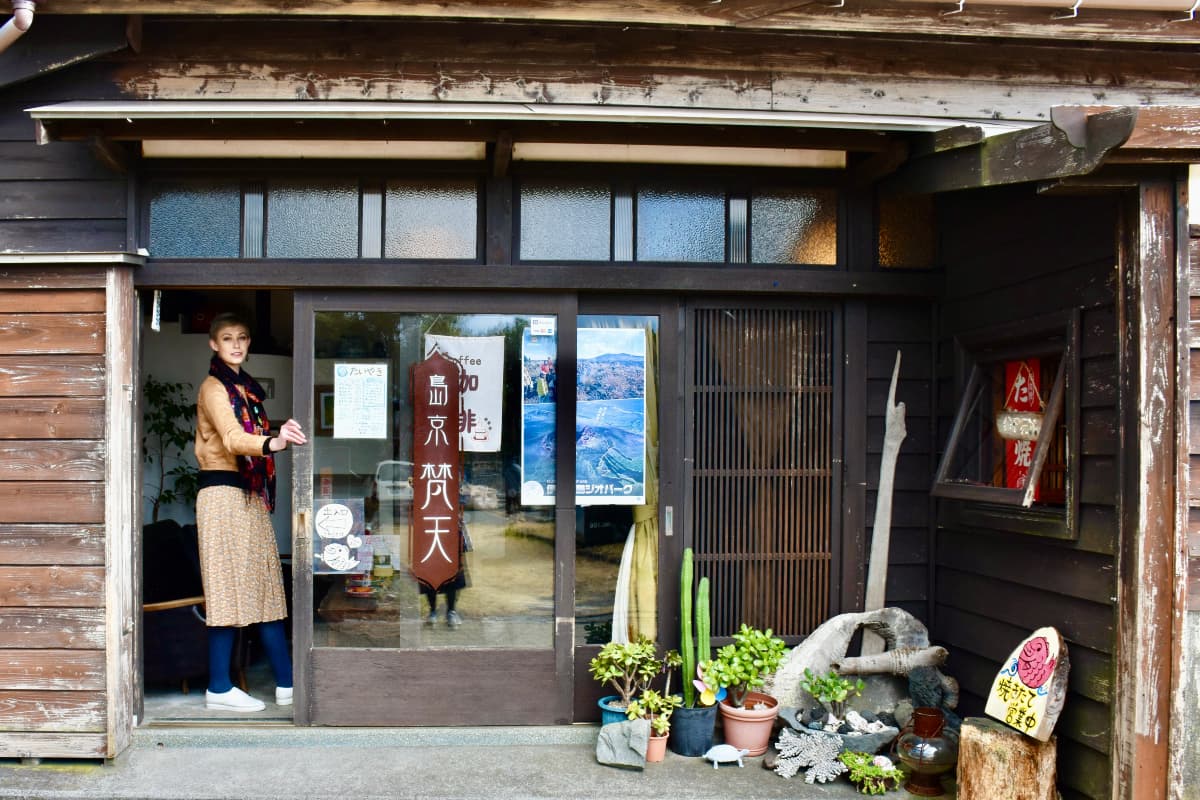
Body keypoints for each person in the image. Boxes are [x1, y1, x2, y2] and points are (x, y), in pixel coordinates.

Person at [194, 312, 306, 712]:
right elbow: (231, 437)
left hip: (249, 492)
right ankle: (219, 687)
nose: (236, 345)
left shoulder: (246, 389)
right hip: (221, 493)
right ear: (214, 344)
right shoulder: (214, 388)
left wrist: (276, 436)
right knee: (226, 588)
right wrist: (273, 443)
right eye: (227, 339)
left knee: (266, 586)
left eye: (242, 337)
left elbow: (249, 435)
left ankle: (288, 683)